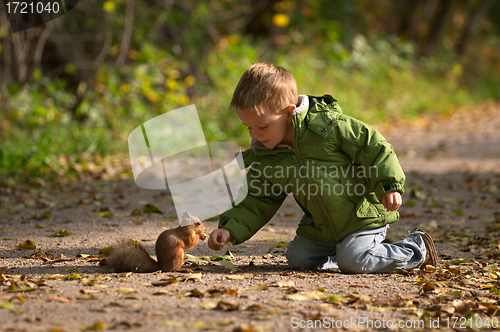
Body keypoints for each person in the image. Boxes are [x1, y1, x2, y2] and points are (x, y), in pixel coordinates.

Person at [207, 63, 437, 273]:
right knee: (298, 259)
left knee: (354, 261)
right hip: (322, 228)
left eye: (262, 126)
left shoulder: (326, 126)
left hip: (363, 217)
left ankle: (416, 248)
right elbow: (258, 198)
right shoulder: (266, 156)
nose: (255, 135)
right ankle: (348, 253)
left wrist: (389, 185)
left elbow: (374, 147)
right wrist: (230, 229)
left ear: (288, 112)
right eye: (249, 128)